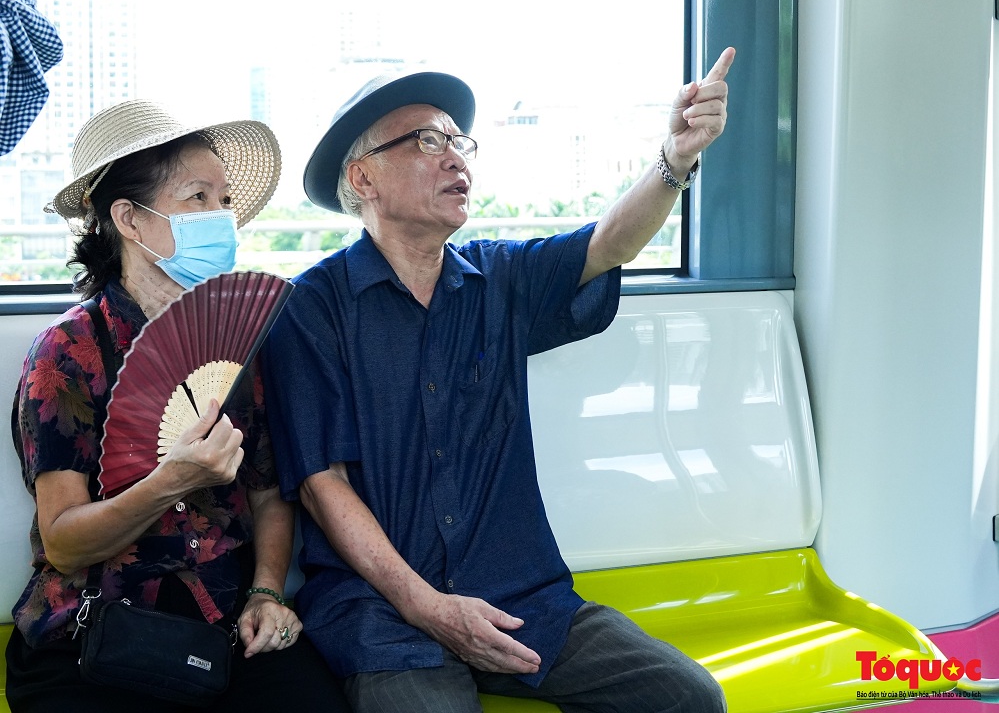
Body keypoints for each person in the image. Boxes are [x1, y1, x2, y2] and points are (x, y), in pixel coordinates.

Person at [263, 50, 736, 713]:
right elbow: (322, 486)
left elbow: (609, 242)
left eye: (459, 143)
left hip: (519, 599)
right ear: (363, 177)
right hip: (385, 613)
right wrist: (429, 608)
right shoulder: (310, 309)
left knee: (686, 697)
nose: (456, 160)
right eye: (428, 142)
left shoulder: (500, 279)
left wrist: (675, 158)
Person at [5, 100, 349, 713]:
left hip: (222, 625)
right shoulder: (69, 352)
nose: (223, 217)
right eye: (198, 198)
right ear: (129, 220)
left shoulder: (239, 341)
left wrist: (267, 592)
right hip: (97, 628)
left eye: (225, 200)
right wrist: (172, 482)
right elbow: (63, 544)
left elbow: (268, 494)